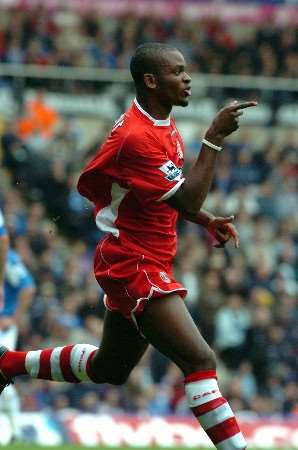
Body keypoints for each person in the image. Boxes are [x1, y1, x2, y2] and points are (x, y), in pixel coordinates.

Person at [0, 43, 257, 449]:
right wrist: (212, 140)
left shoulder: (160, 122)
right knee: (200, 361)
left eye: (185, 70)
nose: (187, 78)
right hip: (132, 261)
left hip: (144, 256)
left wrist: (207, 219)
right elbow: (188, 197)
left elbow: (170, 197)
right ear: (151, 81)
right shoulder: (138, 137)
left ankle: (7, 363)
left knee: (111, 367)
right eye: (177, 72)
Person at [0, 211, 35, 440]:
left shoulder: (8, 260)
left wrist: (15, 317)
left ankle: (14, 430)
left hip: (3, 325)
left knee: (2, 374)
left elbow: (28, 287)